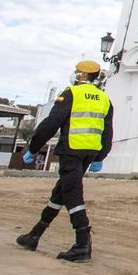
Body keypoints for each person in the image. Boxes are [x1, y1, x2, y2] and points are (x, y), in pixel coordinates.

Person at [14, 60, 114, 262]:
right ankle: (35, 235)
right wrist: (101, 156)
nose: (75, 74)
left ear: (84, 76)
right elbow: (107, 132)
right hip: (89, 153)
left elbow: (51, 123)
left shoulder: (71, 94)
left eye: (77, 72)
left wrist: (33, 148)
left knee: (73, 195)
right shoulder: (104, 99)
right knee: (59, 193)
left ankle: (82, 243)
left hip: (71, 150)